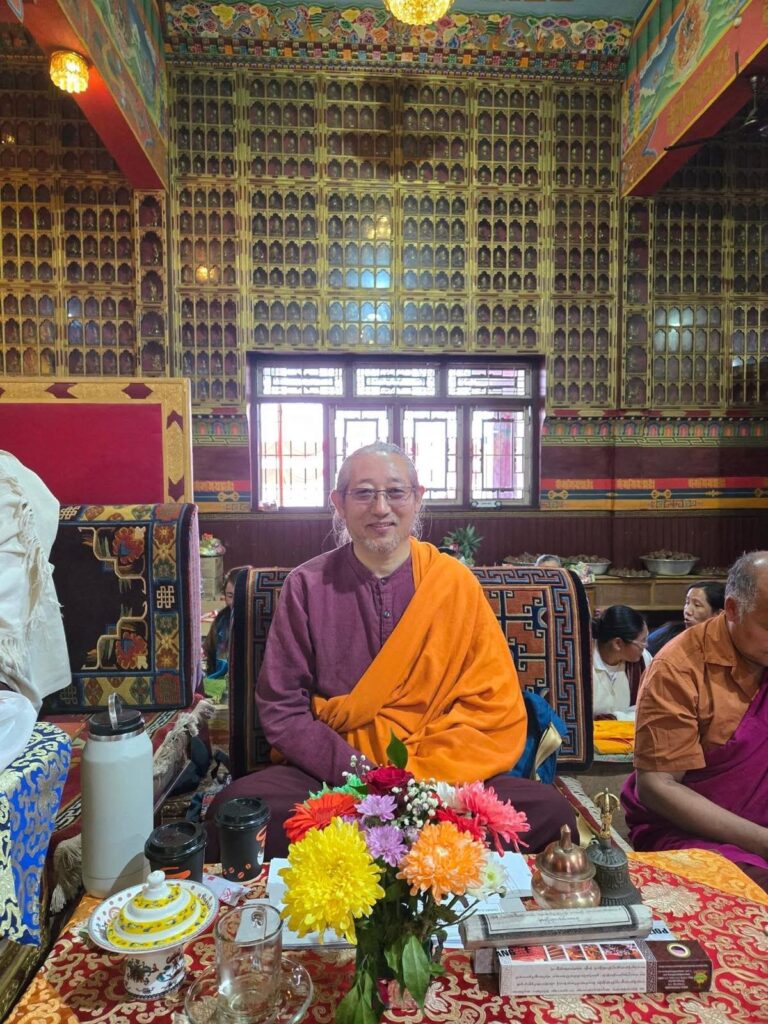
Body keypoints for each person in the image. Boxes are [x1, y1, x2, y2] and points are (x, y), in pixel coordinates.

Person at [207, 442, 577, 859]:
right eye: (364, 493)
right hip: (338, 776)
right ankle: (418, 849)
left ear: (417, 499)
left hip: (444, 778)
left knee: (550, 813)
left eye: (396, 493)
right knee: (234, 815)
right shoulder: (307, 586)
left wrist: (425, 782)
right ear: (339, 503)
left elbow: (494, 704)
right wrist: (364, 776)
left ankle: (392, 847)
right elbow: (281, 709)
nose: (381, 508)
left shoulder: (453, 585)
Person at [621, 551, 768, 892]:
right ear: (732, 609)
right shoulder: (678, 668)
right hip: (692, 832)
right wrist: (761, 840)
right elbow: (658, 787)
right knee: (746, 890)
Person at [591, 605, 651, 720]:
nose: (646, 646)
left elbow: (652, 706)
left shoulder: (643, 660)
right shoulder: (583, 662)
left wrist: (616, 718)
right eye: (642, 641)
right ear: (618, 643)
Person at [646, 581, 725, 656]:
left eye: (697, 605)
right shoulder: (668, 634)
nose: (687, 611)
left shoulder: (725, 645)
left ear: (718, 614)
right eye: (687, 603)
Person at [203, 568, 239, 678]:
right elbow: (213, 657)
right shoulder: (222, 620)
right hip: (221, 681)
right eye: (230, 596)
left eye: (238, 595)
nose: (233, 602)